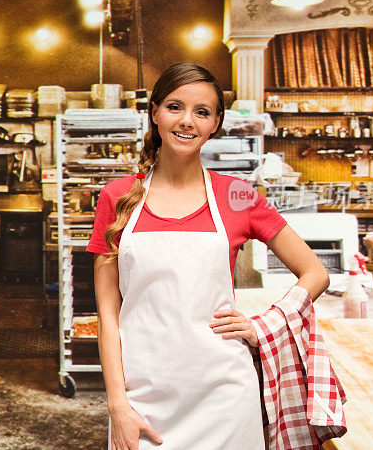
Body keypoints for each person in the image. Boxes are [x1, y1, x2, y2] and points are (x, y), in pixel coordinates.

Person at [86, 62, 331, 450]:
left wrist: (265, 324)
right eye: (174, 107)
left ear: (216, 123)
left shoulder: (238, 195)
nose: (187, 121)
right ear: (154, 112)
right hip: (144, 396)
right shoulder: (117, 197)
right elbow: (108, 313)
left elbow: (315, 272)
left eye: (202, 112)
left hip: (226, 397)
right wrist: (117, 404)